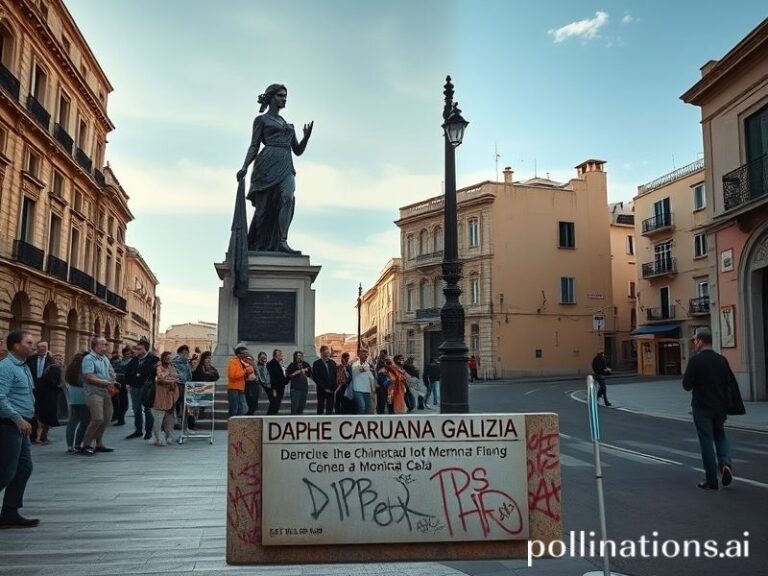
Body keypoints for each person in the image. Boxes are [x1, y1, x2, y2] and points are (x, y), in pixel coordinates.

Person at [237, 83, 314, 253]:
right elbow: (254, 146)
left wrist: (306, 138)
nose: (284, 99)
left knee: (288, 197)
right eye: (280, 95)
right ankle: (256, 244)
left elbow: (298, 150)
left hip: (286, 165)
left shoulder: (289, 126)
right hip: (266, 165)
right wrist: (244, 167)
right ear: (271, 97)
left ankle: (282, 240)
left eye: (285, 96)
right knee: (263, 211)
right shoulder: (261, 120)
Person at [683, 328, 735, 491]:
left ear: (700, 341)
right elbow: (729, 383)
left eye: (695, 341)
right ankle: (726, 463)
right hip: (720, 407)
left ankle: (711, 480)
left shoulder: (695, 361)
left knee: (706, 441)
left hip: (702, 407)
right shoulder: (721, 360)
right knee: (720, 435)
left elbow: (687, 385)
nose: (694, 344)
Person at [0, 331, 39, 528]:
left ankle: (10, 512)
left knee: (24, 468)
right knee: (6, 471)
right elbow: (0, 397)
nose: (34, 346)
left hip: (22, 425)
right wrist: (17, 418)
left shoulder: (23, 366)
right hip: (10, 425)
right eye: (29, 342)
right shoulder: (6, 367)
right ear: (16, 346)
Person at [80, 337, 117, 456]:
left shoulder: (105, 358)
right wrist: (106, 382)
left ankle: (99, 443)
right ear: (95, 345)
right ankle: (86, 444)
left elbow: (111, 372)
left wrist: (112, 380)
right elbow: (89, 376)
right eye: (103, 344)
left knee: (107, 418)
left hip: (106, 392)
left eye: (106, 344)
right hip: (93, 392)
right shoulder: (88, 359)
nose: (106, 346)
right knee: (98, 418)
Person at [124, 340, 158, 440]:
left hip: (147, 388)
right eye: (136, 349)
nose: (137, 351)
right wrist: (127, 383)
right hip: (135, 387)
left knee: (148, 410)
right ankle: (138, 430)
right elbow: (128, 371)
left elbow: (156, 373)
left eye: (139, 349)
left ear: (145, 350)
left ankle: (148, 431)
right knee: (136, 409)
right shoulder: (133, 360)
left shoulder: (153, 360)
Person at [63, 352, 90, 454]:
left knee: (72, 422)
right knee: (84, 421)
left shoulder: (70, 368)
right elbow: (84, 381)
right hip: (84, 397)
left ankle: (70, 446)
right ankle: (78, 444)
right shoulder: (84, 367)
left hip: (73, 398)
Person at [34, 352, 64, 444]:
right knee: (46, 416)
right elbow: (54, 383)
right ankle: (41, 437)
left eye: (60, 358)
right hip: (49, 395)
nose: (59, 360)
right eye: (57, 358)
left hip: (49, 395)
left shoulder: (58, 368)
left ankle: (42, 437)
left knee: (46, 417)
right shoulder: (53, 368)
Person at [152, 352, 180, 447]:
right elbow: (160, 378)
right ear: (163, 358)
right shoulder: (159, 367)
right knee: (159, 418)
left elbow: (177, 377)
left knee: (170, 417)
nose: (168, 359)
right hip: (161, 394)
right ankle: (158, 439)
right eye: (167, 358)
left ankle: (169, 436)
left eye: (170, 358)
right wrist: (170, 378)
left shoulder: (172, 367)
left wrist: (170, 378)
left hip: (171, 395)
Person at [26, 340, 51, 445]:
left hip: (46, 392)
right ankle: (33, 436)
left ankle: (43, 436)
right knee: (33, 413)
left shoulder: (51, 361)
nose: (41, 349)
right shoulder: (30, 359)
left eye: (44, 347)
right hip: (32, 389)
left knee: (45, 414)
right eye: (39, 346)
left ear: (47, 348)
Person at [192, 351, 219, 423]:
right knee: (197, 407)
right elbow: (198, 377)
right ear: (203, 359)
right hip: (198, 390)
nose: (208, 360)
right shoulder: (199, 366)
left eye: (210, 358)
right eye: (207, 358)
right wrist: (207, 374)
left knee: (203, 406)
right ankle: (195, 422)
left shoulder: (211, 367)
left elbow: (216, 376)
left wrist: (209, 372)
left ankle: (197, 421)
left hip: (207, 390)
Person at [227, 346, 253, 418]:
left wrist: (248, 372)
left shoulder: (240, 362)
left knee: (243, 408)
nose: (247, 355)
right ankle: (233, 424)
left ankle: (238, 424)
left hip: (240, 388)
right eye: (245, 353)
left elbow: (242, 375)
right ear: (239, 354)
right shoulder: (233, 362)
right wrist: (245, 371)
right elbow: (232, 375)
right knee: (234, 409)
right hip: (234, 388)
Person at [172, 345, 194, 430]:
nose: (186, 354)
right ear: (179, 353)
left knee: (185, 407)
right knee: (175, 406)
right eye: (183, 353)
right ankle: (174, 424)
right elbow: (177, 374)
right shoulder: (175, 362)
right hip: (178, 386)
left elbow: (189, 375)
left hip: (187, 386)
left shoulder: (187, 363)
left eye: (187, 353)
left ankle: (185, 426)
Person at [111, 346, 133, 426]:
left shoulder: (132, 361)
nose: (128, 355)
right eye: (126, 353)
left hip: (124, 385)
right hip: (117, 384)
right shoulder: (120, 361)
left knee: (123, 403)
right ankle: (118, 417)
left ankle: (120, 419)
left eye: (129, 354)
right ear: (123, 354)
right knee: (117, 402)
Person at [312, 346, 337, 415]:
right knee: (320, 407)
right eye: (327, 352)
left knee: (330, 407)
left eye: (329, 352)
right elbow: (315, 377)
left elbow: (335, 376)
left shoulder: (333, 363)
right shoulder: (316, 363)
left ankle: (329, 422)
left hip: (331, 389)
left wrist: (334, 387)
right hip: (321, 389)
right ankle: (320, 422)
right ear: (322, 353)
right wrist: (324, 388)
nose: (328, 353)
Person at [350, 349, 375, 415]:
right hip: (358, 389)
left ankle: (365, 423)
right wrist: (368, 369)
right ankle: (358, 421)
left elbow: (371, 377)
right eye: (363, 354)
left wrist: (373, 388)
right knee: (362, 407)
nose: (365, 355)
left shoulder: (368, 365)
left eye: (366, 354)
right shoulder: (354, 364)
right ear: (359, 355)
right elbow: (361, 369)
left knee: (367, 408)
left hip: (367, 390)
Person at [266, 349, 288, 415]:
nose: (281, 355)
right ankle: (270, 419)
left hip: (280, 388)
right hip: (275, 389)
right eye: (280, 354)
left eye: (281, 354)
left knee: (276, 406)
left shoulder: (278, 364)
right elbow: (272, 377)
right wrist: (274, 389)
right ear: (275, 355)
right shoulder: (271, 364)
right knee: (274, 406)